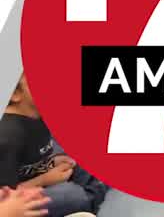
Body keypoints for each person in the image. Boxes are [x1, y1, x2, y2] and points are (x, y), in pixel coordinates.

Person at [0, 75, 106, 217]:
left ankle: (92, 194)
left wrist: (49, 164)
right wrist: (45, 179)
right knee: (73, 195)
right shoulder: (7, 138)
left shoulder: (36, 111)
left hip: (34, 170)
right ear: (15, 93)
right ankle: (87, 200)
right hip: (19, 194)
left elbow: (28, 165)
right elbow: (8, 198)